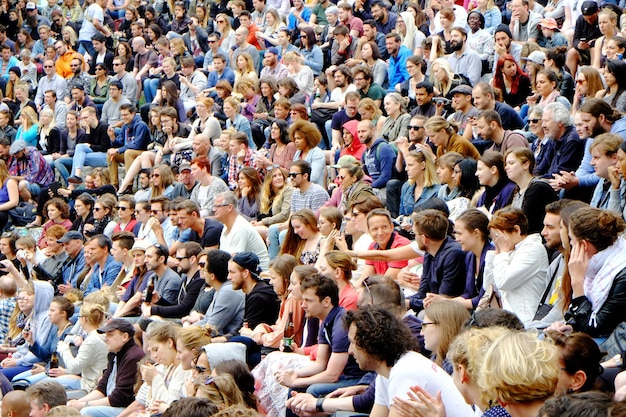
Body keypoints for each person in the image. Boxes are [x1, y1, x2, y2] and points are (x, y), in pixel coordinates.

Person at [274, 273, 365, 402]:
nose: (303, 305)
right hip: (344, 376)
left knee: (313, 390)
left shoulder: (341, 324)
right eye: (303, 300)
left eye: (309, 301)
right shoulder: (326, 320)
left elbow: (332, 375)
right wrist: (295, 374)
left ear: (326, 301)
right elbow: (320, 364)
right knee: (299, 388)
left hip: (357, 379)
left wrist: (295, 382)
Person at [484, 207, 549, 325]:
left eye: (499, 236)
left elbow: (504, 282)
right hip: (509, 320)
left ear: (517, 230)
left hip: (528, 321)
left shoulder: (533, 249)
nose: (496, 241)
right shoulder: (507, 251)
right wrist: (496, 253)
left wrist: (502, 253)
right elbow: (489, 287)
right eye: (494, 237)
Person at [68, 319, 145, 416]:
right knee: (70, 406)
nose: (106, 338)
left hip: (127, 409)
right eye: (106, 335)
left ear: (125, 337)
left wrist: (84, 405)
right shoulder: (114, 354)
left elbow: (119, 398)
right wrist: (77, 403)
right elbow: (102, 389)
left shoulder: (133, 357)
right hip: (113, 403)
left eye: (110, 335)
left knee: (86, 412)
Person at [213, 192, 270, 270]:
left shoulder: (240, 227)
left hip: (258, 275)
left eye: (218, 206)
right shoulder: (226, 227)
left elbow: (234, 262)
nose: (214, 209)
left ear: (229, 207)